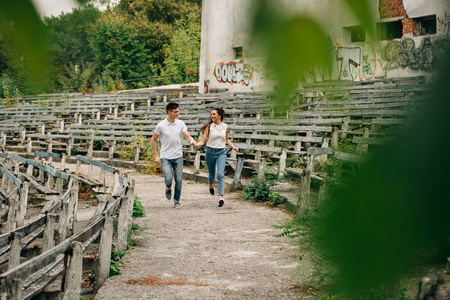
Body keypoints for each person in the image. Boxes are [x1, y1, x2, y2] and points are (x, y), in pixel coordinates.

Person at [151, 102, 197, 208]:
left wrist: (192, 142)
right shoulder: (161, 125)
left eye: (178, 111)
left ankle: (176, 201)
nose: (178, 114)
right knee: (168, 178)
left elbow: (187, 136)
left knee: (179, 180)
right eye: (176, 112)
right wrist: (156, 156)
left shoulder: (180, 124)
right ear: (169, 112)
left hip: (178, 156)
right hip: (165, 156)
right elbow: (153, 139)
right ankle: (168, 187)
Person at [196, 108, 239, 207]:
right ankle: (210, 185)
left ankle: (220, 197)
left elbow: (226, 139)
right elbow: (203, 141)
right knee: (211, 174)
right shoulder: (209, 126)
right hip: (210, 152)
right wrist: (197, 144)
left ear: (219, 115)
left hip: (221, 152)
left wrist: (233, 147)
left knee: (220, 174)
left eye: (213, 114)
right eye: (211, 114)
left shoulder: (225, 127)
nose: (211, 116)